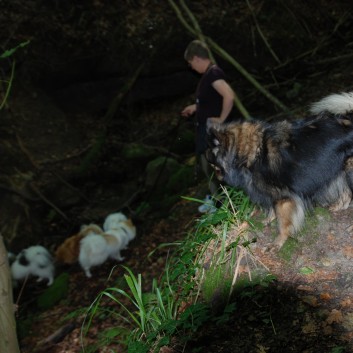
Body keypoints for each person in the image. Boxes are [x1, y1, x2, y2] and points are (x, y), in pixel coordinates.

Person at [181, 39, 240, 213]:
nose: (191, 67)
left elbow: (229, 96)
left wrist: (221, 119)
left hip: (213, 133)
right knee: (210, 168)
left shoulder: (213, 74)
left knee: (214, 168)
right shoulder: (208, 76)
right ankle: (217, 201)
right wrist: (195, 107)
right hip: (206, 132)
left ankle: (223, 205)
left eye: (191, 63)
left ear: (198, 58)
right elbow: (210, 101)